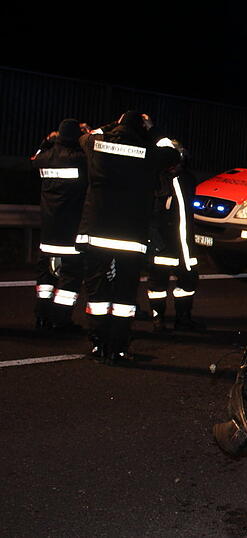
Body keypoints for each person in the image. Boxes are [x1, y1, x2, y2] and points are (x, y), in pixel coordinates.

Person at [77, 111, 180, 363]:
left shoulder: (97, 144)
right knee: (124, 296)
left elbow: (87, 136)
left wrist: (115, 124)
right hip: (130, 237)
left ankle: (97, 344)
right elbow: (172, 153)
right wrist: (152, 130)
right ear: (141, 128)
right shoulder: (148, 151)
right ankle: (118, 348)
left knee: (97, 290)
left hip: (96, 232)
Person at [30, 119, 88, 330]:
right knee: (70, 277)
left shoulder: (44, 158)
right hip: (71, 231)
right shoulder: (81, 159)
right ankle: (61, 319)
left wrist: (47, 142)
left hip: (48, 230)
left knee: (46, 276)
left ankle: (42, 315)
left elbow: (34, 157)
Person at [146, 140, 203, 331]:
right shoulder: (153, 179)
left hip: (185, 246)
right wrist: (155, 242)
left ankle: (183, 318)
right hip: (163, 244)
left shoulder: (187, 178)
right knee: (157, 286)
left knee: (188, 282)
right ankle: (158, 318)